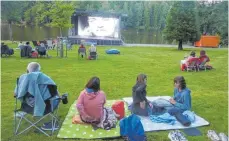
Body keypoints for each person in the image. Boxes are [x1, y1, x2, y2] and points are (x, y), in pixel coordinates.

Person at [14, 62, 59, 130]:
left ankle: (24, 111)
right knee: (57, 98)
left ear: (27, 70)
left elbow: (15, 94)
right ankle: (52, 123)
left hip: (27, 107)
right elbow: (54, 93)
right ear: (39, 70)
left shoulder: (22, 79)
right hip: (46, 108)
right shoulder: (46, 78)